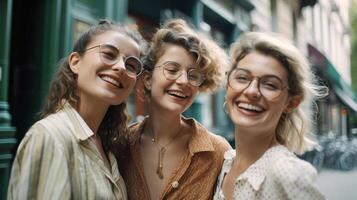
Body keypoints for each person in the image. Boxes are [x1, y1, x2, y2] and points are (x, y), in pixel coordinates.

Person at [7, 20, 145, 199]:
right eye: (109, 54)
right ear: (75, 62)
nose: (120, 67)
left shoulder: (107, 146)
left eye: (131, 65)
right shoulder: (50, 137)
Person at [117, 19, 232, 200]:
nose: (184, 81)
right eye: (172, 70)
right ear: (148, 79)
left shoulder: (218, 152)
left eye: (193, 75)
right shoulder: (120, 146)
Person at [213, 32, 327, 200]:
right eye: (242, 77)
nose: (251, 91)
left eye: (270, 84)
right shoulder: (225, 164)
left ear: (291, 103)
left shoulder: (289, 174)